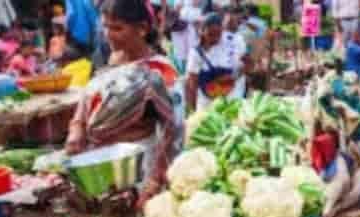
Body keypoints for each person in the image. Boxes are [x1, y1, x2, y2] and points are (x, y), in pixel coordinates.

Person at [65, 0, 177, 203]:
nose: (108, 34)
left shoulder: (159, 71)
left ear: (142, 29)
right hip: (97, 163)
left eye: (117, 28)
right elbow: (87, 98)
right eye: (105, 26)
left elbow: (174, 128)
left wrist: (155, 180)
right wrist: (77, 129)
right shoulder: (107, 61)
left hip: (137, 167)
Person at [184, 11, 245, 111]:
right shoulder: (196, 53)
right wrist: (192, 111)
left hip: (230, 101)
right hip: (206, 103)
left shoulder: (231, 44)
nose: (215, 38)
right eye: (211, 34)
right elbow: (192, 83)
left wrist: (232, 76)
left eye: (218, 34)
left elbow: (244, 66)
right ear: (202, 31)